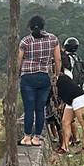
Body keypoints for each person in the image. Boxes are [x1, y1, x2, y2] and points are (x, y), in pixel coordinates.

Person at [18, 15, 61, 146]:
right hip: (44, 77)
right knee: (40, 108)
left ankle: (27, 137)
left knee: (29, 108)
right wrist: (56, 75)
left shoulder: (25, 41)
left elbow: (19, 60)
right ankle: (37, 137)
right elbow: (58, 60)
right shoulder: (53, 39)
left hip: (28, 77)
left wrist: (18, 73)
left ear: (30, 27)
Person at [56, 73, 84, 155]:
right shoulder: (57, 79)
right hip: (70, 101)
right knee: (65, 122)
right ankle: (65, 147)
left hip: (79, 98)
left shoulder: (62, 77)